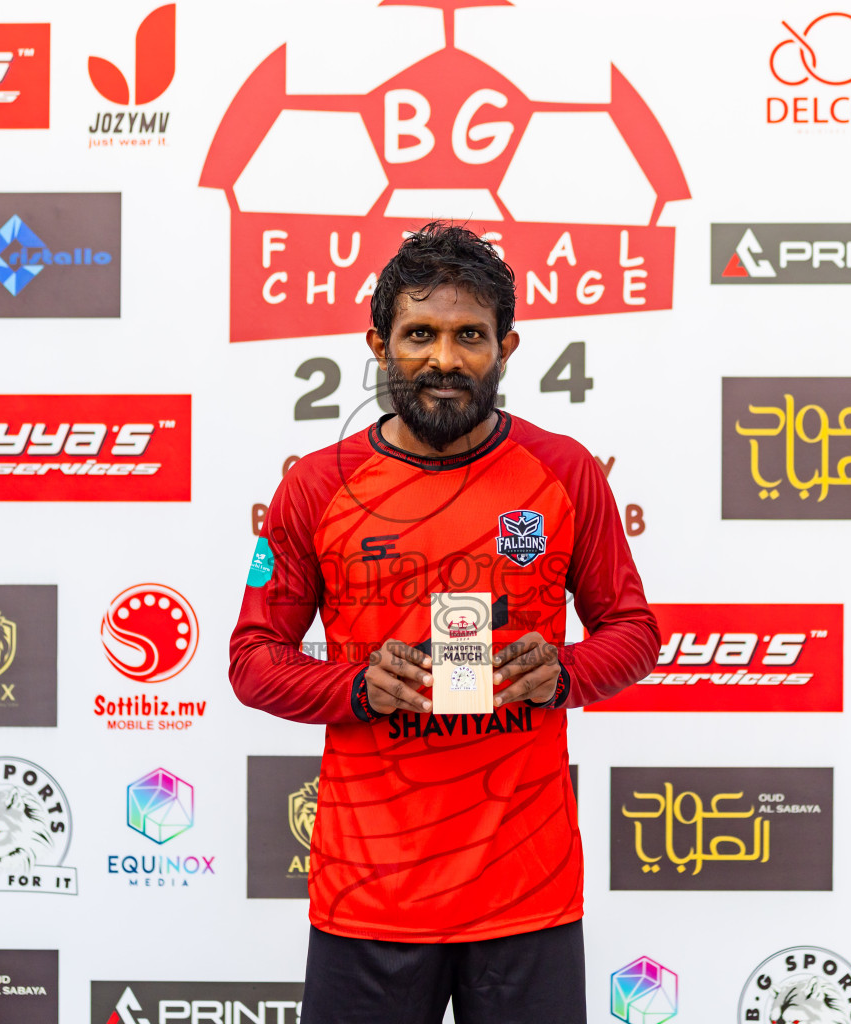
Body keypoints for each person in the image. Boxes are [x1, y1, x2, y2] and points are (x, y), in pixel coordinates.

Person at [229, 222, 658, 1024]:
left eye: (471, 336)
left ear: (507, 347)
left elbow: (633, 632)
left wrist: (564, 671)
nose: (445, 359)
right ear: (378, 344)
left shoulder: (563, 473)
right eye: (419, 334)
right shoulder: (316, 488)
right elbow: (253, 660)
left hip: (525, 894)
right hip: (370, 897)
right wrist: (359, 687)